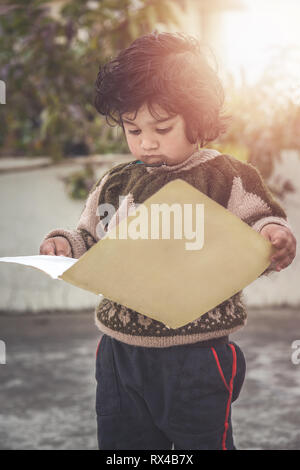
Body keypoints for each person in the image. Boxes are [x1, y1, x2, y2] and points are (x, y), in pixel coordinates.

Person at [39, 32, 297, 450]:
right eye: (132, 128)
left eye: (162, 127)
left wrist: (274, 235)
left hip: (197, 356)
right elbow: (88, 236)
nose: (147, 141)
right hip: (120, 354)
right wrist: (64, 246)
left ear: (199, 120)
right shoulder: (116, 182)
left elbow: (260, 226)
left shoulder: (226, 177)